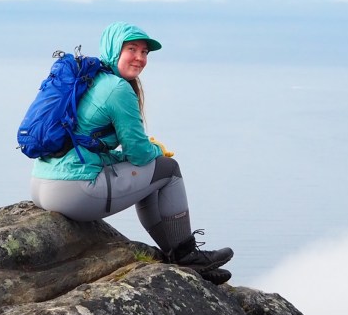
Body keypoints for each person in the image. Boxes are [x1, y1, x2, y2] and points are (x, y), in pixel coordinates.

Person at [29, 21, 233, 284]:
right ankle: (185, 254)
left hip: (41, 184)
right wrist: (156, 149)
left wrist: (138, 155)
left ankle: (179, 257)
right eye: (132, 49)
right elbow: (138, 153)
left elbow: (88, 146)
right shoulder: (117, 88)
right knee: (168, 170)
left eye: (145, 52)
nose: (140, 57)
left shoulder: (89, 79)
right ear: (115, 50)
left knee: (148, 176)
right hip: (72, 192)